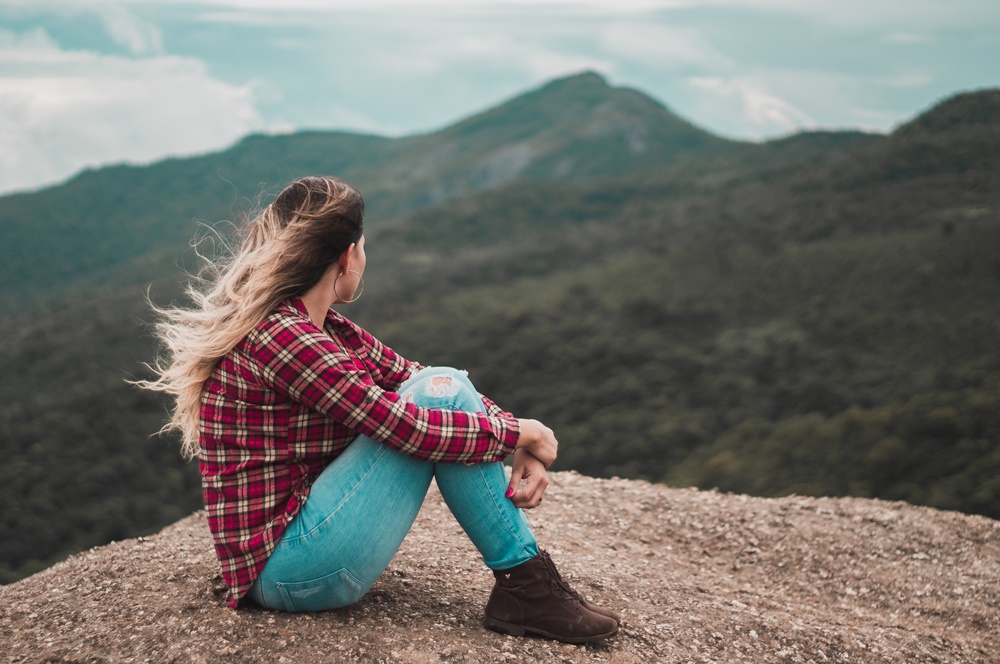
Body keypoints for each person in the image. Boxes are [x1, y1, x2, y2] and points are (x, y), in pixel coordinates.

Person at [140, 175, 619, 643]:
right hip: (289, 569)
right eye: (363, 248)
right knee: (434, 399)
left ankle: (528, 587)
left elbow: (420, 376)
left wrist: (517, 435)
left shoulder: (320, 328)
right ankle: (528, 587)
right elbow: (403, 424)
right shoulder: (285, 337)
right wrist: (519, 434)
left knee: (439, 384)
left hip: (300, 551)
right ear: (347, 255)